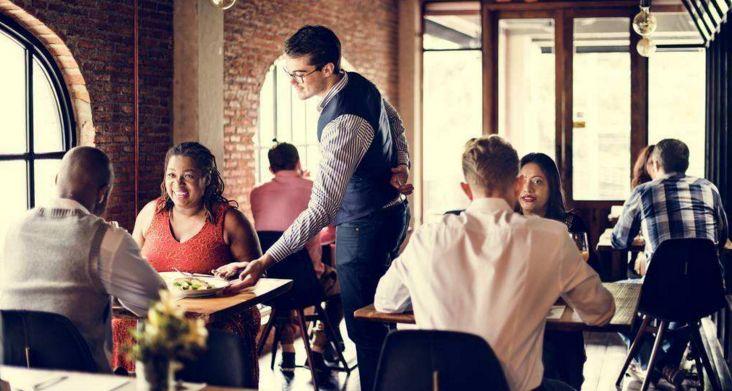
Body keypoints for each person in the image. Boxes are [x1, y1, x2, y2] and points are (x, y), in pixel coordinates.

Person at [216, 25, 412, 390]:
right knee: (379, 318)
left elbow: (321, 209)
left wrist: (264, 261)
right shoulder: (359, 84)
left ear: (327, 68)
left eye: (300, 74)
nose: (292, 83)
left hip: (364, 226)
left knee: (364, 329)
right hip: (391, 212)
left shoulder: (344, 124)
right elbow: (394, 120)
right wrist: (402, 164)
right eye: (287, 74)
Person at [374, 136, 615, 391]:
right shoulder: (552, 237)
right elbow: (600, 312)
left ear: (466, 189)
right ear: (517, 184)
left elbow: (385, 301)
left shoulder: (427, 237)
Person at [0, 146, 165, 372]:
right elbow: (158, 301)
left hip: (17, 379)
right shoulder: (107, 239)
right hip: (84, 381)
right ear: (102, 194)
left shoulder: (13, 228)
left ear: (56, 179)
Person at [112, 142, 262, 383]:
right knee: (119, 325)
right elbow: (130, 267)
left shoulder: (230, 221)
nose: (178, 184)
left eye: (188, 176)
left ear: (207, 179)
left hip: (219, 315)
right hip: (158, 310)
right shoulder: (151, 213)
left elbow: (257, 277)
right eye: (172, 175)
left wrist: (238, 271)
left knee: (218, 331)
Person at [611, 138, 729, 384]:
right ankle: (668, 364)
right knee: (683, 308)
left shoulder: (643, 192)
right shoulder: (709, 188)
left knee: (611, 299)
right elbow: (721, 236)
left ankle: (657, 364)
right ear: (686, 163)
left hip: (660, 293)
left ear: (654, 162)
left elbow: (619, 241)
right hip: (708, 291)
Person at [249, 141, 343, 374]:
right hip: (307, 285)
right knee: (343, 287)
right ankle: (318, 347)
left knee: (283, 280)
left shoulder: (256, 193)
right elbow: (330, 232)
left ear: (271, 169)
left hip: (270, 285)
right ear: (298, 162)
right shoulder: (313, 188)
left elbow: (271, 234)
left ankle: (288, 350)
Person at [517, 152, 590, 390]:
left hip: (562, 325)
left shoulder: (569, 224)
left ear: (551, 187)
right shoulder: (504, 224)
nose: (528, 187)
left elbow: (592, 276)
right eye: (522, 179)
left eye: (538, 181)